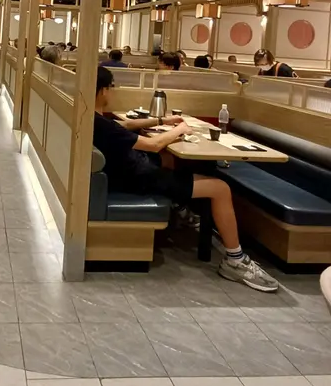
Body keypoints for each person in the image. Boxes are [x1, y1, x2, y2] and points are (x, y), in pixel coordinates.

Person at [93, 67, 278, 292]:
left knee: (169, 159)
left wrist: (162, 120)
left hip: (128, 170)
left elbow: (123, 126)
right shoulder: (99, 124)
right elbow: (153, 144)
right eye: (111, 87)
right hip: (136, 178)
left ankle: (180, 207)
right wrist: (180, 128)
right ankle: (235, 260)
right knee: (220, 188)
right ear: (103, 91)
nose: (113, 92)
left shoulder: (93, 117)